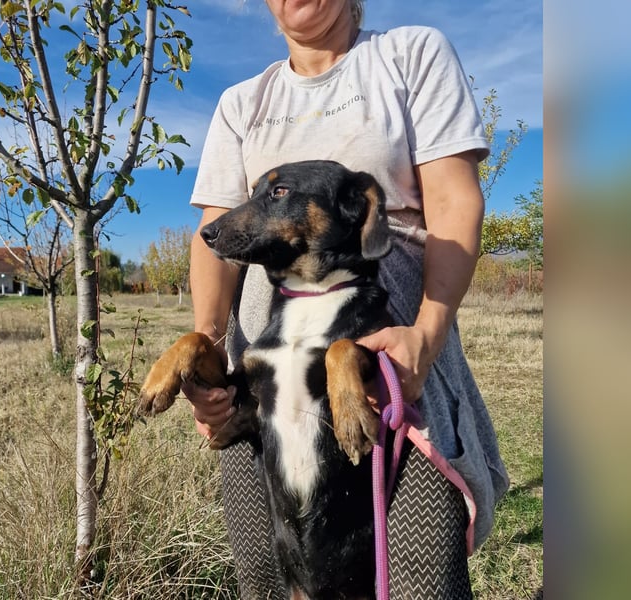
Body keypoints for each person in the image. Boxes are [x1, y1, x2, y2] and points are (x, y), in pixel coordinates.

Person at [182, 1, 510, 598]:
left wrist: (426, 336)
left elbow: (454, 204)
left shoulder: (409, 56)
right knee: (265, 578)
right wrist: (205, 353)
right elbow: (215, 235)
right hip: (265, 384)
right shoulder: (242, 104)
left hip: (393, 364)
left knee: (419, 580)